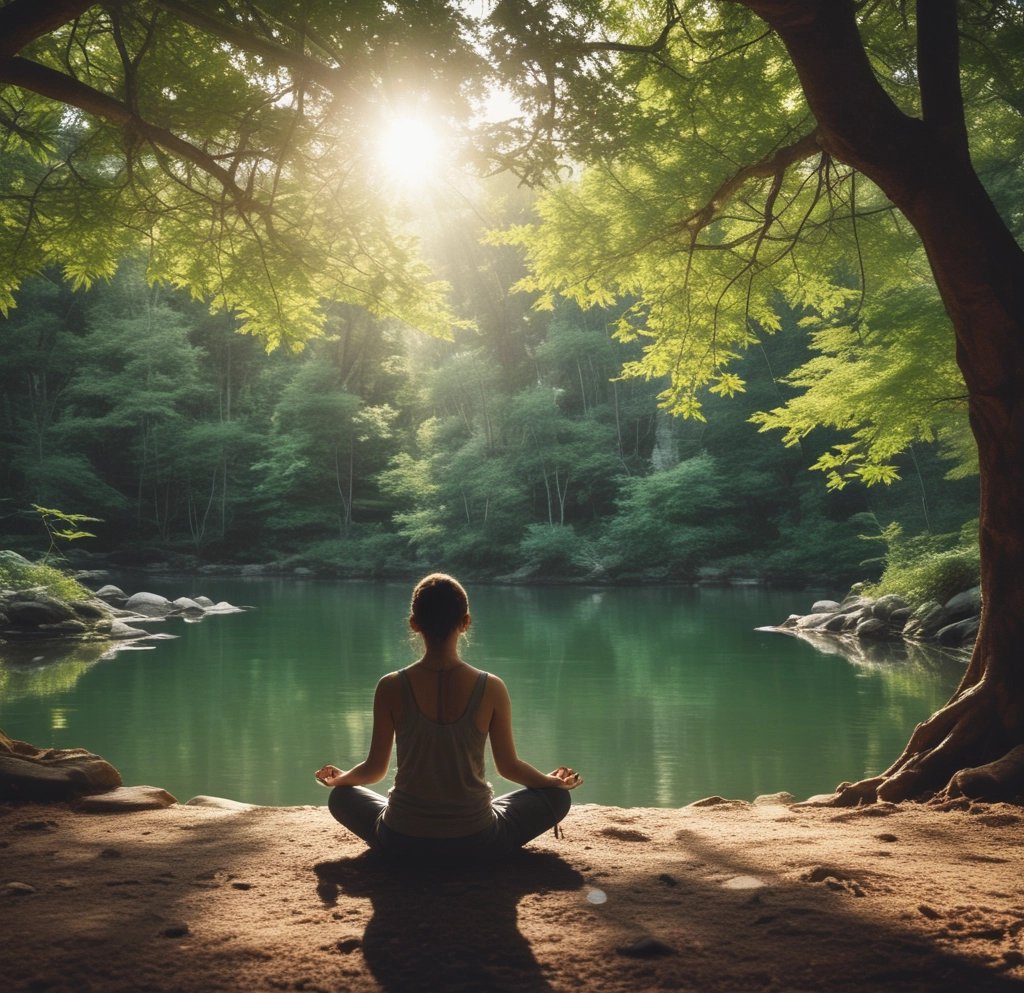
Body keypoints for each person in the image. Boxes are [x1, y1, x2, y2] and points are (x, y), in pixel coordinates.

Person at [316, 573, 582, 859]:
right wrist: (552, 782)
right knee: (556, 797)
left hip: (402, 838)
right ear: (466, 622)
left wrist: (339, 780)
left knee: (342, 797)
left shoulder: (391, 685)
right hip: (478, 840)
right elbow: (509, 768)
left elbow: (374, 770)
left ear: (414, 623)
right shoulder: (491, 686)